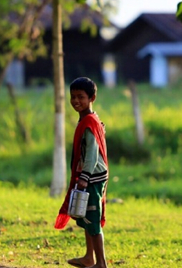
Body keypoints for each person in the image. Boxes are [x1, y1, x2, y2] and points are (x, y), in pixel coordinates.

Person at [55, 77, 109, 268]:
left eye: (81, 97)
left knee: (93, 221)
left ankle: (101, 263)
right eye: (73, 97)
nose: (76, 101)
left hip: (93, 177)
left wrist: (84, 177)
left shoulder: (89, 123)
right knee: (86, 219)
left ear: (92, 97)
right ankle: (89, 257)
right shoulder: (88, 119)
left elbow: (93, 154)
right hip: (90, 176)